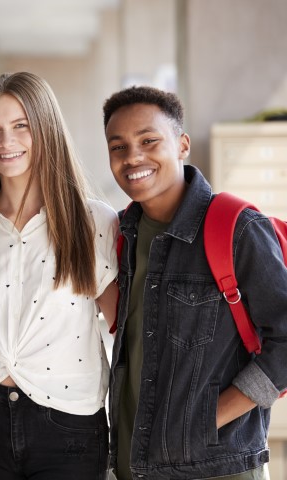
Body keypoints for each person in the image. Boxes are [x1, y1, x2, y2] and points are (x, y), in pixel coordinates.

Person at [103, 85, 287, 479]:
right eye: (118, 147)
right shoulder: (122, 233)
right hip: (133, 465)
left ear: (182, 144)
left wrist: (209, 418)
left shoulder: (237, 228)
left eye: (149, 140)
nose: (133, 157)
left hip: (215, 467)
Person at [0, 72, 119, 480]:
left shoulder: (91, 219)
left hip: (68, 423)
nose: (7, 142)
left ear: (45, 128)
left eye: (21, 126)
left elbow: (123, 328)